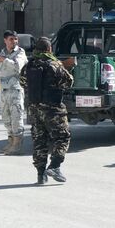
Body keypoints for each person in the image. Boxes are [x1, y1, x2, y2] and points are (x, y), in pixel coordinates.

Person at [20, 37, 73, 184]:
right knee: (62, 137)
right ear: (49, 49)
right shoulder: (55, 65)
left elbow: (22, 82)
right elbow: (68, 82)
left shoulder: (28, 66)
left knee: (39, 140)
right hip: (53, 110)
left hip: (34, 109)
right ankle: (55, 166)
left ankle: (40, 175)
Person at [0, 30, 28, 155]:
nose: (14, 41)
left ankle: (17, 144)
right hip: (4, 90)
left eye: (15, 39)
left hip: (15, 90)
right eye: (11, 39)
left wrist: (3, 60)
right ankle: (11, 141)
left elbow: (18, 66)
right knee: (6, 117)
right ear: (5, 40)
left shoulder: (20, 52)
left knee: (16, 117)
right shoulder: (3, 52)